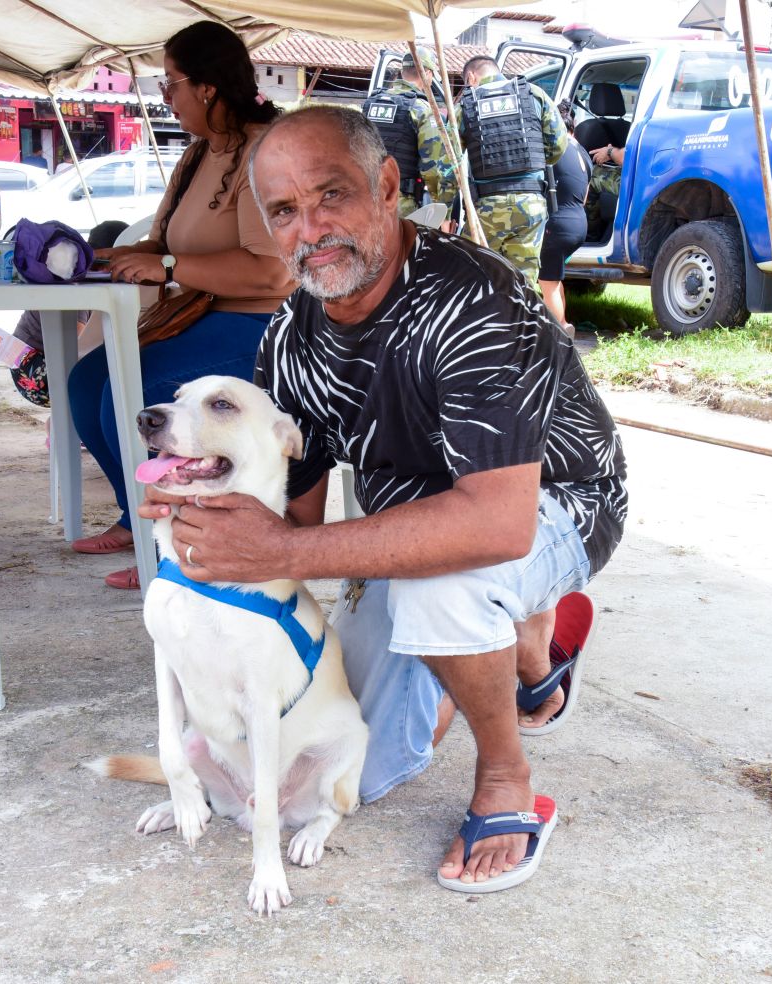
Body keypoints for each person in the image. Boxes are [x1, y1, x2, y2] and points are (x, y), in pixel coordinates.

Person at [140, 106, 628, 892]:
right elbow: (291, 517)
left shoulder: (476, 299)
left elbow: (495, 523)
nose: (312, 229)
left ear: (388, 185)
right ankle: (529, 649)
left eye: (331, 195)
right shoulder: (292, 337)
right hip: (408, 522)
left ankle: (505, 776)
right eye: (285, 211)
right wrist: (211, 509)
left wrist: (286, 551)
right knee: (349, 770)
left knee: (446, 590)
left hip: (554, 502)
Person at [66, 20, 296, 590]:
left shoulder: (262, 150)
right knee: (85, 383)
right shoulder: (200, 153)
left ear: (208, 88)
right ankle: (137, 514)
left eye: (170, 83)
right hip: (203, 314)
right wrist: (102, 255)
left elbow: (269, 270)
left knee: (128, 392)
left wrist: (167, 268)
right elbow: (164, 243)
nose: (164, 97)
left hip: (261, 323)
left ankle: (185, 544)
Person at [457, 56, 567, 285]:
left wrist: (448, 209)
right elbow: (558, 145)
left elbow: (450, 159)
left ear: (471, 77)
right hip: (531, 203)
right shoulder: (534, 94)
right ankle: (524, 318)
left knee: (473, 278)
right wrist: (531, 162)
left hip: (488, 207)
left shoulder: (466, 104)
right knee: (524, 283)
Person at [9, 221, 129, 407]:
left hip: (28, 363)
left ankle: (58, 424)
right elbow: (77, 343)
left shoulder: (76, 276)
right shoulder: (76, 287)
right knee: (106, 376)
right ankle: (66, 423)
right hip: (34, 368)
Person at [362, 47, 457, 217]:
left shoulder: (370, 103)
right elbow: (432, 169)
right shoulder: (420, 108)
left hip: (365, 199)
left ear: (402, 71)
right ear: (427, 73)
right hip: (399, 203)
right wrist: (442, 210)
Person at [538, 101, 593, 338]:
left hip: (559, 222)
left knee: (546, 281)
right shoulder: (583, 153)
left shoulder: (556, 148)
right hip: (579, 221)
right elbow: (585, 197)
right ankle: (564, 322)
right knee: (555, 276)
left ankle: (559, 333)